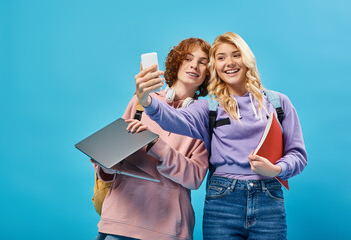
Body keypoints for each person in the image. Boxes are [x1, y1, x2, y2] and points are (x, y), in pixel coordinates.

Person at [136, 32, 308, 240]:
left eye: (236, 55)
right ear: (215, 66)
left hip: (269, 199)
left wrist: (276, 169)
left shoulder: (278, 103)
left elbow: (298, 155)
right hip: (222, 200)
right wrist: (146, 101)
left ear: (246, 59)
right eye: (221, 57)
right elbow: (172, 118)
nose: (229, 63)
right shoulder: (209, 108)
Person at [93, 38, 211, 240]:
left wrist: (157, 145)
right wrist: (105, 165)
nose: (194, 65)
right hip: (120, 221)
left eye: (203, 61)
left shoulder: (204, 120)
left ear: (210, 72)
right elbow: (111, 161)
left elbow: (194, 177)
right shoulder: (141, 101)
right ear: (177, 63)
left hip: (168, 228)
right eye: (188, 58)